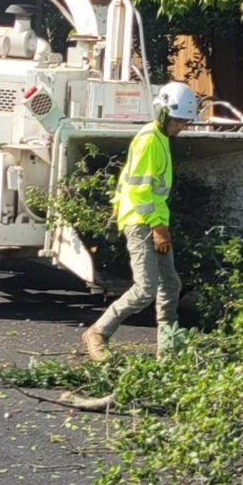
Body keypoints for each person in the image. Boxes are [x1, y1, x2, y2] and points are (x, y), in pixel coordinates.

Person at [81, 80, 198, 359]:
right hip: (142, 222)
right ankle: (98, 332)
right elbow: (139, 189)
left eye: (185, 122)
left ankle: (167, 349)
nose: (182, 126)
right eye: (179, 121)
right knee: (146, 289)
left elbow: (127, 180)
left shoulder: (158, 138)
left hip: (154, 221)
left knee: (170, 284)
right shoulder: (149, 141)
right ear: (163, 114)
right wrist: (157, 227)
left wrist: (122, 211)